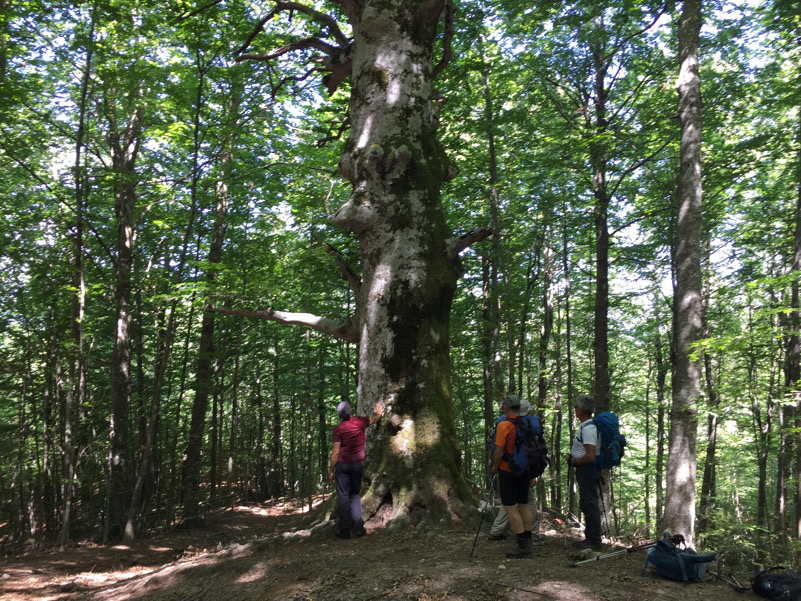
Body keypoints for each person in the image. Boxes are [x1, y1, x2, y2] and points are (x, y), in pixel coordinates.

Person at [488, 398, 542, 542]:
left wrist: (494, 467)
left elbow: (499, 452)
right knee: (524, 504)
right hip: (525, 469)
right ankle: (529, 538)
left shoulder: (504, 425)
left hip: (508, 470)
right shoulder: (528, 424)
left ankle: (522, 543)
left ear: (506, 408)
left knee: (509, 506)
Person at [329, 400, 384, 539]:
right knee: (354, 495)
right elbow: (375, 419)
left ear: (339, 415)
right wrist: (379, 411)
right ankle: (358, 528)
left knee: (343, 496)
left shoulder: (338, 429)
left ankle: (344, 530)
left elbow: (335, 452)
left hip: (342, 466)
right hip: (357, 465)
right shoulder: (360, 422)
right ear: (351, 411)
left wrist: (331, 470)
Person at [565, 393, 602, 551]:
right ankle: (591, 538)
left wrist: (574, 461)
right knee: (588, 503)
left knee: (589, 503)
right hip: (587, 470)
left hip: (587, 470)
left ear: (581, 409)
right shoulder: (588, 427)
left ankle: (593, 541)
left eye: (576, 406)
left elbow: (590, 456)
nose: (574, 409)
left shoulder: (588, 429)